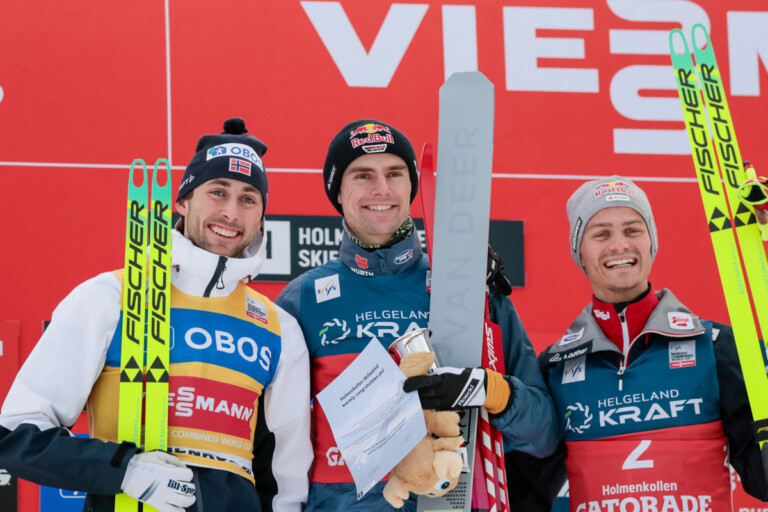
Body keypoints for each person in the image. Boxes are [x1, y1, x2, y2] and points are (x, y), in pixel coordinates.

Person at [0, 118, 312, 512]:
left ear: (261, 216)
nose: (231, 212)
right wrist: (123, 470)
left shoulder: (277, 326)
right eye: (217, 192)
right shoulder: (111, 296)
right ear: (182, 201)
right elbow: (17, 432)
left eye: (249, 199)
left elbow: (286, 477)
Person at [273, 119, 559, 511]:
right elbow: (268, 441)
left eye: (395, 173)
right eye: (363, 175)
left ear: (412, 186)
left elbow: (544, 433)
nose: (382, 189)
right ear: (337, 192)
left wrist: (489, 390)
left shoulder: (467, 287)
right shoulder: (302, 299)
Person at [538, 176, 768, 511]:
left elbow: (763, 478)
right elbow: (527, 490)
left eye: (633, 230)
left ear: (651, 243)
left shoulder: (716, 347)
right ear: (580, 253)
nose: (619, 245)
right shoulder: (554, 367)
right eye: (601, 233)